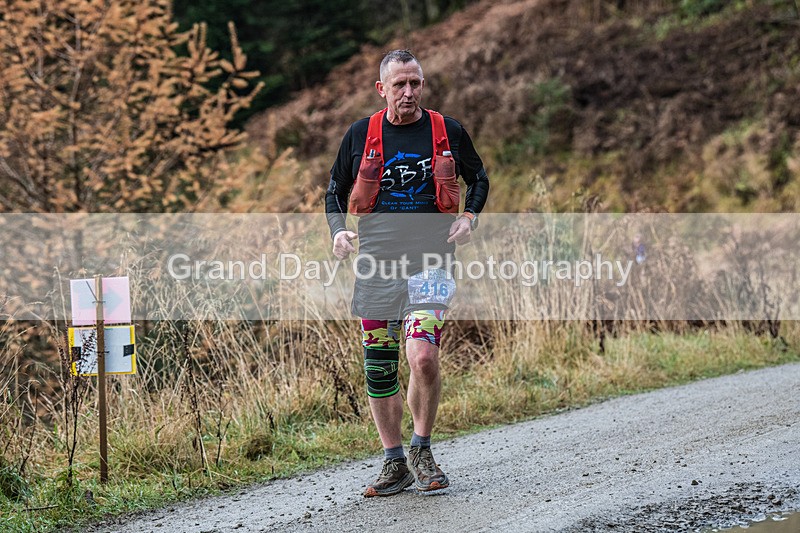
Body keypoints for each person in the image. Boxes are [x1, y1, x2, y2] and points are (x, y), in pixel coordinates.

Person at [325, 49, 489, 497]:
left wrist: (468, 218)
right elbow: (335, 192)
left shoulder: (447, 130)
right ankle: (394, 461)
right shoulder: (360, 134)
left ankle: (421, 447)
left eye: (415, 83)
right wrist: (339, 233)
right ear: (382, 89)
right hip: (377, 267)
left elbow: (479, 178)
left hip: (431, 264)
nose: (409, 92)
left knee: (422, 358)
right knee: (379, 368)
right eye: (399, 85)